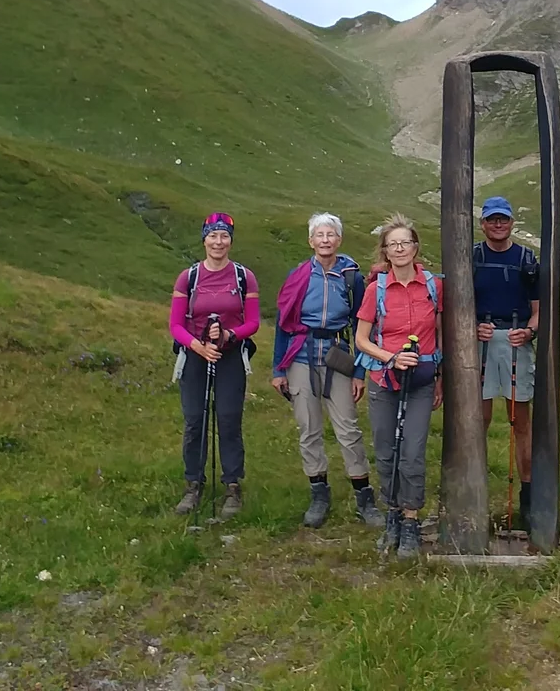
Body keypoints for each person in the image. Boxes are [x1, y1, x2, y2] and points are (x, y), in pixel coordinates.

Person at [271, 212, 379, 529]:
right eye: (319, 234)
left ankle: (364, 497)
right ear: (310, 241)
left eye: (330, 234)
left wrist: (360, 372)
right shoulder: (299, 275)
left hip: (337, 355)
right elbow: (283, 323)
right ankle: (319, 494)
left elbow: (364, 325)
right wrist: (279, 368)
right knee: (309, 427)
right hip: (301, 356)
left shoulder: (351, 277)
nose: (325, 240)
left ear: (339, 239)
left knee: (348, 428)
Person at [354, 213, 442, 560]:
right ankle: (392, 513)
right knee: (386, 451)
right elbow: (361, 339)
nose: (400, 248)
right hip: (383, 379)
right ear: (386, 252)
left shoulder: (435, 287)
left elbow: (442, 334)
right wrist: (390, 357)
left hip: (421, 380)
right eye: (394, 244)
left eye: (406, 242)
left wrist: (441, 380)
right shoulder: (375, 290)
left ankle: (410, 521)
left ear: (416, 248)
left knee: (413, 454)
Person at [169, 212, 260, 520]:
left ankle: (232, 485)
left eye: (224, 236)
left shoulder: (244, 277)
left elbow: (254, 322)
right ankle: (193, 484)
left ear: (230, 241)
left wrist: (230, 336)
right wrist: (198, 346)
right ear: (204, 239)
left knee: (229, 419)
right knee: (195, 420)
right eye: (213, 236)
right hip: (195, 354)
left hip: (230, 354)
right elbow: (175, 324)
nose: (218, 242)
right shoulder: (189, 277)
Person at [473, 196, 539, 521]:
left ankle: (527, 499)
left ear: (512, 222)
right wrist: (471, 328)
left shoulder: (527, 258)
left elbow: (539, 311)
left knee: (521, 424)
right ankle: (474, 491)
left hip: (516, 341)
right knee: (477, 421)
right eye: (492, 220)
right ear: (482, 223)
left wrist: (528, 332)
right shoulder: (471, 256)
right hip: (479, 343)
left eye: (503, 219)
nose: (498, 225)